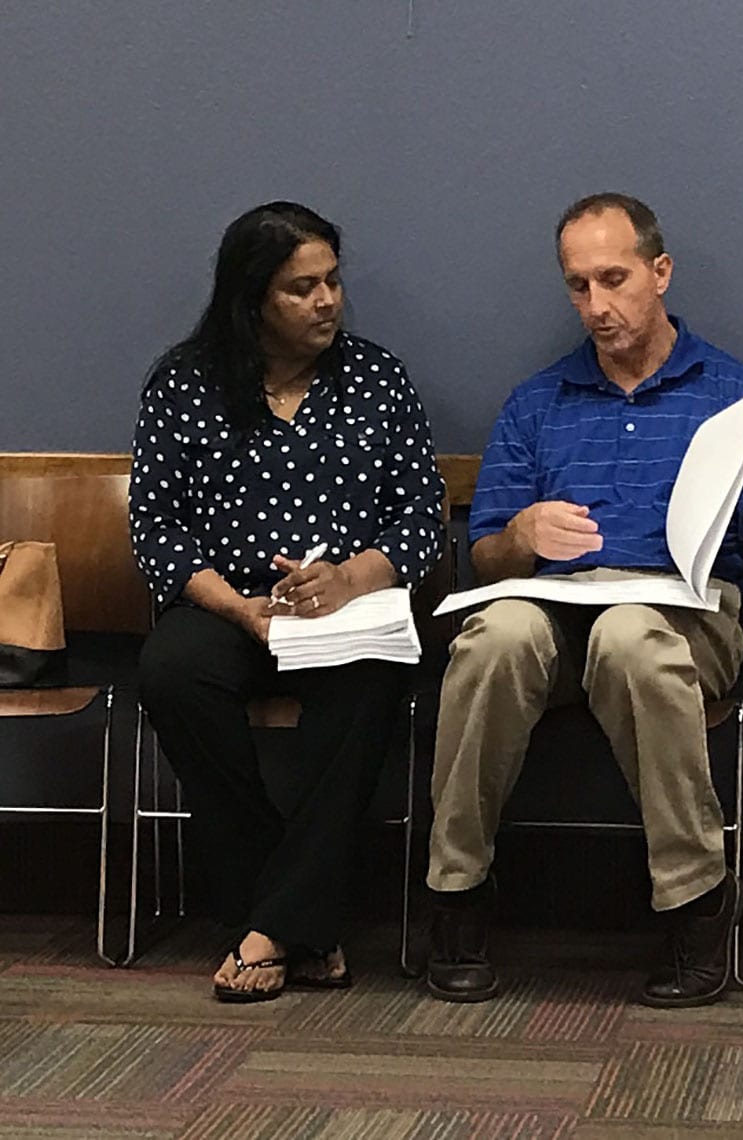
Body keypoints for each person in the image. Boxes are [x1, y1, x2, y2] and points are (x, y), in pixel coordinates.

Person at [426, 192, 743, 1008]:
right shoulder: (538, 401)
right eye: (578, 286)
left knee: (631, 639)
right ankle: (457, 889)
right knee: (493, 637)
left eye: (614, 279)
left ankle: (696, 898)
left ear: (660, 272)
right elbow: (487, 557)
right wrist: (521, 531)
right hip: (555, 607)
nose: (597, 305)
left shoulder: (735, 393)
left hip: (682, 615)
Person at [131, 201, 445, 1003]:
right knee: (171, 672)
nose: (327, 301)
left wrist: (350, 578)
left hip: (349, 610)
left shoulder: (377, 379)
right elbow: (156, 526)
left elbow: (422, 517)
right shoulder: (185, 383)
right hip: (228, 606)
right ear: (252, 299)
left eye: (332, 281)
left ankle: (267, 927)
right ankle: (297, 917)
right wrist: (241, 609)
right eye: (301, 288)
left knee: (371, 684)